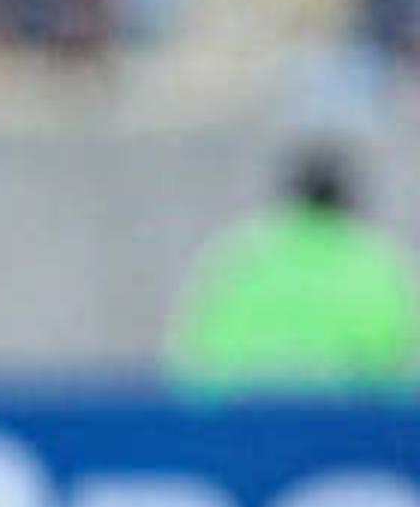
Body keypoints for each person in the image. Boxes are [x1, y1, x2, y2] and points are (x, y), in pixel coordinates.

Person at [169, 150, 420, 395]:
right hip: (343, 426)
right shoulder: (378, 267)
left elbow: (192, 364)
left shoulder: (240, 258)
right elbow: (401, 371)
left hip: (243, 422)